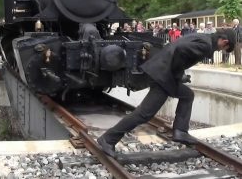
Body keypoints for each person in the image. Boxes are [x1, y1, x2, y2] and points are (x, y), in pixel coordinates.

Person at [97, 30, 236, 157]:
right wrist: (178, 74)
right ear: (224, 42)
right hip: (163, 76)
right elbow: (180, 51)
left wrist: (178, 75)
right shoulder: (205, 45)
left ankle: (180, 131)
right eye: (224, 49)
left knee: (187, 95)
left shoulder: (203, 37)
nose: (220, 50)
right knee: (144, 114)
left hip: (162, 72)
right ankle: (108, 139)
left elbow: (178, 47)